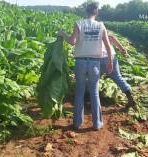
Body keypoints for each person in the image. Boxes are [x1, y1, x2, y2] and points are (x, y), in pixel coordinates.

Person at [58, 2, 113, 130]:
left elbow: (72, 42)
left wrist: (62, 34)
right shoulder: (101, 26)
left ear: (86, 12)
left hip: (80, 62)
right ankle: (97, 124)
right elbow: (108, 47)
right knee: (94, 92)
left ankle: (77, 123)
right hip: (95, 62)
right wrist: (110, 62)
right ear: (96, 12)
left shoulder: (79, 23)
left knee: (80, 92)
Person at [100, 34, 136, 108]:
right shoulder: (109, 37)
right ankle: (129, 97)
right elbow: (122, 49)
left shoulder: (92, 37)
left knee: (94, 78)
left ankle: (90, 97)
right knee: (118, 77)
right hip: (112, 58)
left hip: (99, 59)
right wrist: (124, 52)